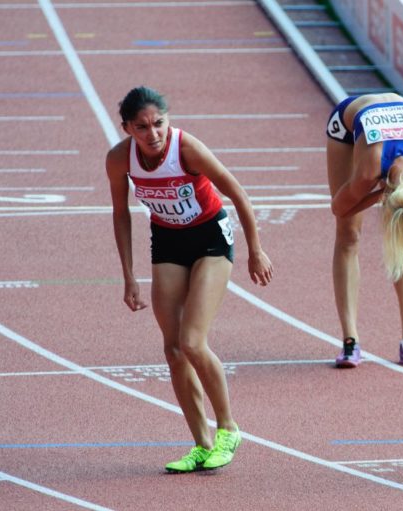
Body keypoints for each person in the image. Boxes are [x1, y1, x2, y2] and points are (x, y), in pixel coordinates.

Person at [106, 86, 273, 473]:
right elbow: (120, 214)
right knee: (173, 350)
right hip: (167, 241)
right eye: (142, 127)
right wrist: (128, 276)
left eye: (159, 123)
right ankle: (202, 444)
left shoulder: (187, 149)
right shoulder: (119, 159)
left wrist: (256, 249)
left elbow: (237, 193)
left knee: (193, 341)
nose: (153, 134)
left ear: (168, 119)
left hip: (210, 238)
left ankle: (228, 428)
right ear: (127, 128)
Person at [326, 93, 403, 368]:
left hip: (398, 121)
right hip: (348, 127)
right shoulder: (369, 169)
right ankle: (350, 340)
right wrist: (377, 193)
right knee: (348, 234)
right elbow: (338, 207)